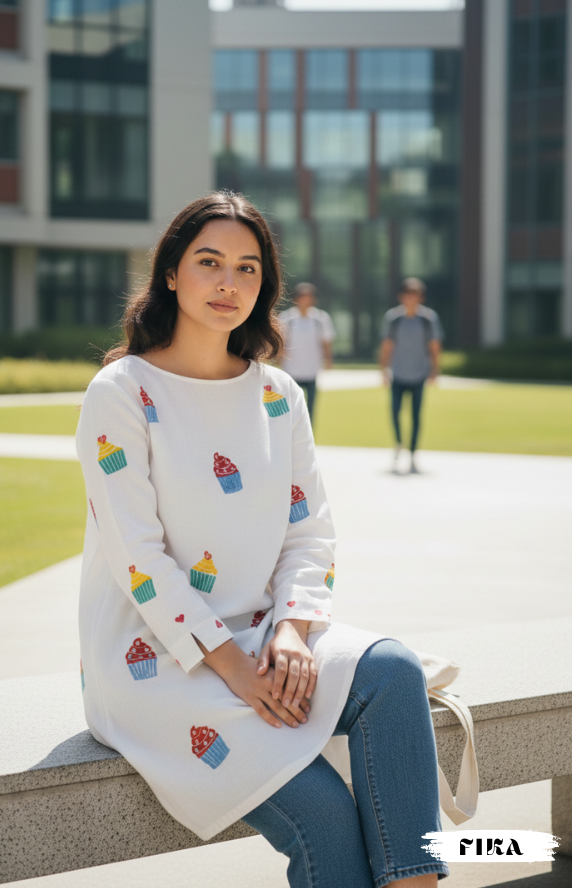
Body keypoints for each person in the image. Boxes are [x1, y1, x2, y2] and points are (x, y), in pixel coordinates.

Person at [75, 193, 448, 888]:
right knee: (328, 816)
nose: (228, 283)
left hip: (264, 634)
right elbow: (140, 561)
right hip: (158, 658)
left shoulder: (279, 393)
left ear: (264, 288)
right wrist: (235, 668)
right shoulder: (120, 392)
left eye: (248, 269)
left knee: (394, 669)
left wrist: (294, 633)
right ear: (170, 275)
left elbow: (310, 529)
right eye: (209, 262)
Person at [379, 278, 444, 474]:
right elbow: (387, 346)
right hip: (397, 373)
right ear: (402, 296)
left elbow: (434, 346)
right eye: (408, 294)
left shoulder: (428, 318)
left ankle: (413, 453)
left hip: (419, 373)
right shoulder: (393, 318)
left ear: (421, 297)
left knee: (416, 416)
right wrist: (383, 369)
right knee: (395, 411)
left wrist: (435, 370)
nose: (411, 298)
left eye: (415, 295)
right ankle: (399, 443)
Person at [278, 282, 336, 423]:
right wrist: (280, 359)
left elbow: (326, 342)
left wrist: (328, 360)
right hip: (291, 370)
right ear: (296, 299)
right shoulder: (286, 318)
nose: (306, 300)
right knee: (290, 408)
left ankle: (308, 440)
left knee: (310, 408)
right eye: (302, 297)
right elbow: (281, 343)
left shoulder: (321, 318)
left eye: (309, 297)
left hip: (312, 369)